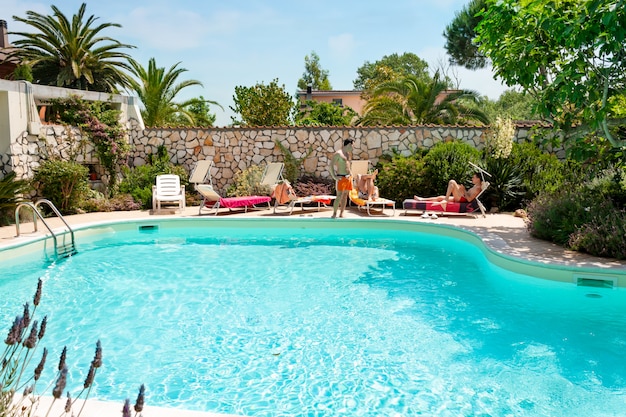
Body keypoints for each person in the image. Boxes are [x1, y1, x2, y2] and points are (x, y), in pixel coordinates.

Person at [414, 173, 482, 210]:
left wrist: (463, 190)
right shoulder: (475, 186)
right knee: (440, 198)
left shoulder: (478, 188)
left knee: (452, 182)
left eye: (474, 177)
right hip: (462, 197)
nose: (472, 179)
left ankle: (446, 200)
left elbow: (469, 199)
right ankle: (422, 199)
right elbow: (468, 194)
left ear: (478, 179)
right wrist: (461, 189)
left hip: (462, 199)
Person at [329, 138, 354, 218]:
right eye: (352, 145)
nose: (353, 147)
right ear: (349, 144)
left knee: (345, 195)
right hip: (341, 177)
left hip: (348, 177)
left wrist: (351, 174)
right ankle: (334, 213)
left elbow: (348, 165)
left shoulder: (348, 154)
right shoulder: (338, 154)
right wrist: (334, 176)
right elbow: (331, 166)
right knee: (339, 196)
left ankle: (342, 213)